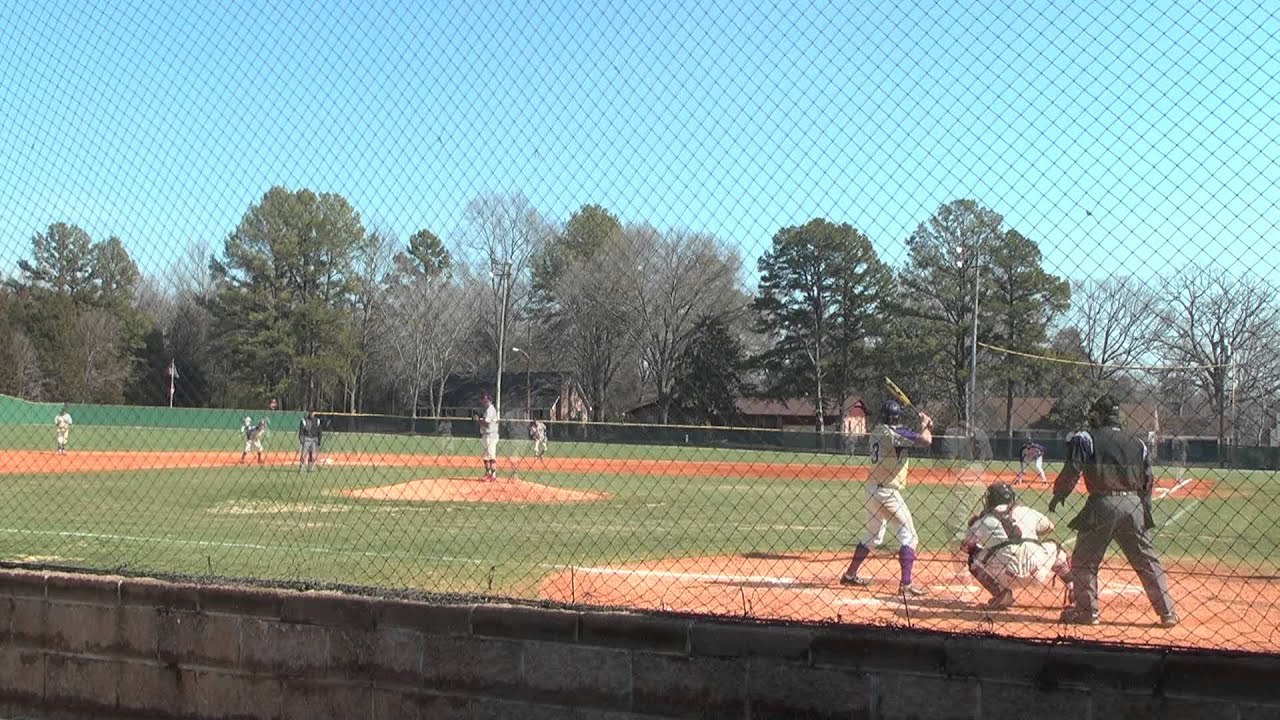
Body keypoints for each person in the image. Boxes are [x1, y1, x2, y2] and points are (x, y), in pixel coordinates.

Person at [1049, 395, 1178, 627]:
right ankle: (1167, 612)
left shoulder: (1086, 437)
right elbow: (1148, 480)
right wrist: (1145, 510)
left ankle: (1088, 613)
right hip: (1134, 503)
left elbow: (1073, 468)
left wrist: (1060, 493)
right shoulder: (1138, 442)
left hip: (1103, 502)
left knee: (1085, 560)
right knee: (1146, 560)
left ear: (1099, 415)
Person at [839, 399, 934, 596]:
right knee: (909, 536)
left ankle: (850, 574)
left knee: (874, 535)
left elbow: (909, 436)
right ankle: (906, 584)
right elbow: (926, 441)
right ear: (897, 417)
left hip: (871, 489)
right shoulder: (896, 434)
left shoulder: (877, 431)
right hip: (888, 493)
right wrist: (925, 426)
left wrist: (924, 427)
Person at [961, 482, 1071, 610]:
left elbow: (966, 547)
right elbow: (1050, 527)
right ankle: (1073, 587)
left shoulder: (983, 520)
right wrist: (1029, 532)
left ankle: (1001, 594)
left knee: (973, 558)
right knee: (1055, 548)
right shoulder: (1026, 511)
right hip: (1038, 571)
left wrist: (987, 540)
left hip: (1007, 575)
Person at [479, 394, 500, 480]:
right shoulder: (487, 410)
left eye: (485, 400)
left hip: (491, 436)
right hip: (485, 435)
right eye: (483, 400)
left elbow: (487, 424)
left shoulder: (491, 409)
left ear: (490, 401)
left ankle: (493, 475)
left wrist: (478, 421)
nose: (484, 402)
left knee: (491, 455)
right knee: (485, 455)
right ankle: (488, 473)